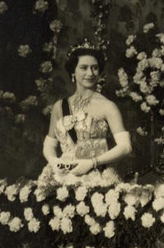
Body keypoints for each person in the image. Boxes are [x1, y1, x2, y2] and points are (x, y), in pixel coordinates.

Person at [41, 39, 133, 184]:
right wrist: (54, 163)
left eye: (94, 68)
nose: (90, 73)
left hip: (96, 177)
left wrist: (93, 163)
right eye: (84, 67)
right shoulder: (60, 106)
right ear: (73, 71)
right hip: (62, 176)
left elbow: (125, 146)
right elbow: (49, 145)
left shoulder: (107, 106)